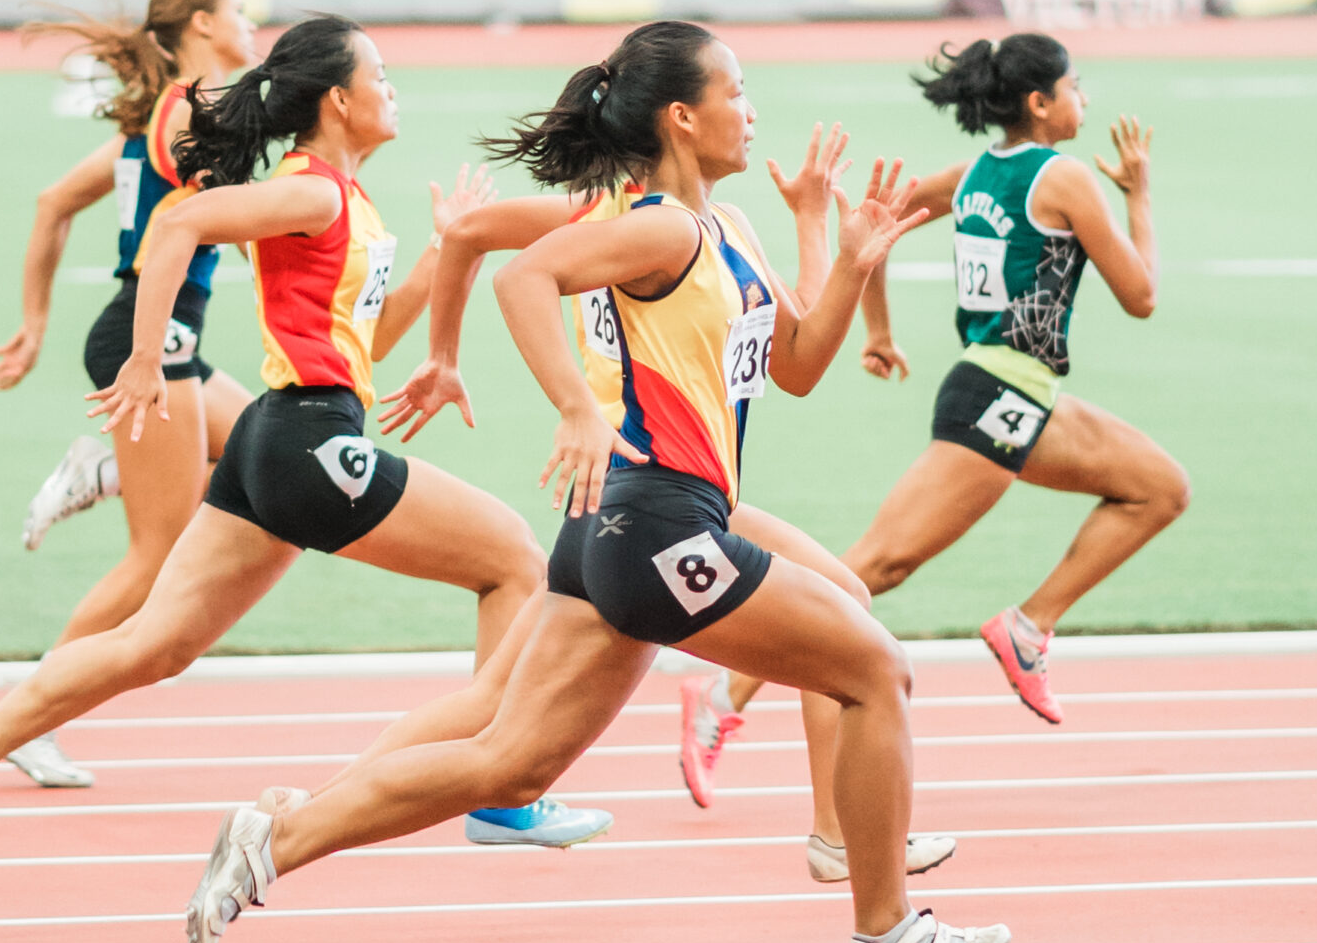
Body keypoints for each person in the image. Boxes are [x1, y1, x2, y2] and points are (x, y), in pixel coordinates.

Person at [170, 17, 1009, 943]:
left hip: (642, 522)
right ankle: (885, 924)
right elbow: (523, 275)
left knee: (510, 763)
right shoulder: (653, 224)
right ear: (684, 116)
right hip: (654, 517)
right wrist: (574, 407)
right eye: (736, 91)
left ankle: (275, 837)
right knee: (871, 668)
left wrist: (839, 245)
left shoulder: (724, 229)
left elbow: (800, 365)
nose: (752, 109)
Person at [0, 17, 607, 875]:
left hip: (279, 432)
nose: (393, 86)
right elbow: (178, 228)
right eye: (382, 72)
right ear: (339, 99)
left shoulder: (346, 200)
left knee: (156, 644)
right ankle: (500, 792)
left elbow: (362, 347)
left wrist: (441, 261)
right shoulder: (313, 192)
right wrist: (147, 358)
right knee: (514, 563)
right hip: (306, 442)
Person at [378, 126, 954, 880]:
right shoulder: (611, 222)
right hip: (635, 479)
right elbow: (473, 238)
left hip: (682, 484)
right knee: (504, 737)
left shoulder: (707, 225)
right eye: (734, 95)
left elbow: (792, 341)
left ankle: (840, 835)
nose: (749, 115)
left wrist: (813, 223)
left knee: (843, 598)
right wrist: (448, 359)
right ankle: (308, 814)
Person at [682, 33, 1187, 773]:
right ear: (1040, 103)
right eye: (1076, 88)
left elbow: (880, 221)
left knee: (1158, 487)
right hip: (1001, 397)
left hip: (1013, 390)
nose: (1085, 100)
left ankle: (1028, 625)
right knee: (875, 566)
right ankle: (721, 696)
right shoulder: (1066, 178)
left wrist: (879, 331)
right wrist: (1138, 195)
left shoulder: (972, 173)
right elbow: (1140, 295)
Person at [0, 0, 259, 786]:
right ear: (204, 24)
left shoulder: (155, 118)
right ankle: (33, 713)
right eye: (238, 11)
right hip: (150, 347)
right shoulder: (189, 122)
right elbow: (238, 224)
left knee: (261, 455)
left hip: (158, 342)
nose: (250, 22)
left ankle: (104, 468)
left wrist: (35, 324)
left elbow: (52, 200)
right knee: (156, 555)